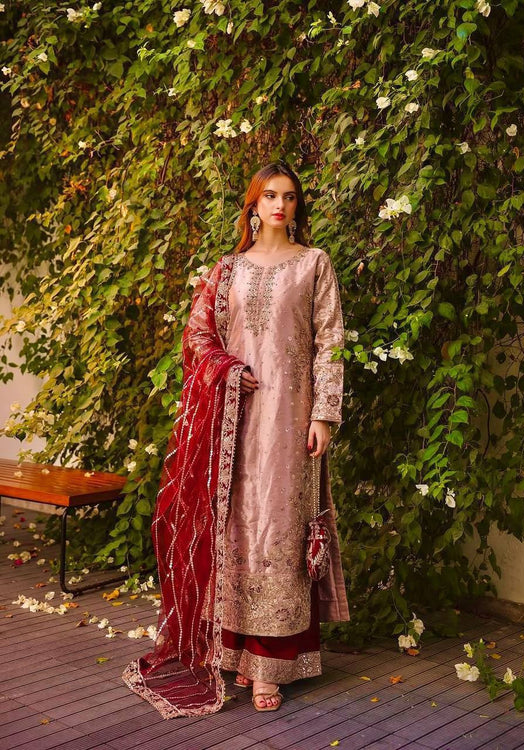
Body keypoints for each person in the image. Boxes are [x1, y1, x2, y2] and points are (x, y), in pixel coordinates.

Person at [123, 161, 349, 719]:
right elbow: (198, 336)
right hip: (233, 424)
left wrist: (323, 416)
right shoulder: (227, 270)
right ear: (252, 205)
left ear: (298, 206)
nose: (280, 206)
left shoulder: (314, 264)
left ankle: (269, 664)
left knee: (279, 527)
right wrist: (225, 369)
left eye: (289, 197)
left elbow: (330, 342)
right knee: (235, 526)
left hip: (290, 420)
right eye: (269, 196)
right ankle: (233, 651)